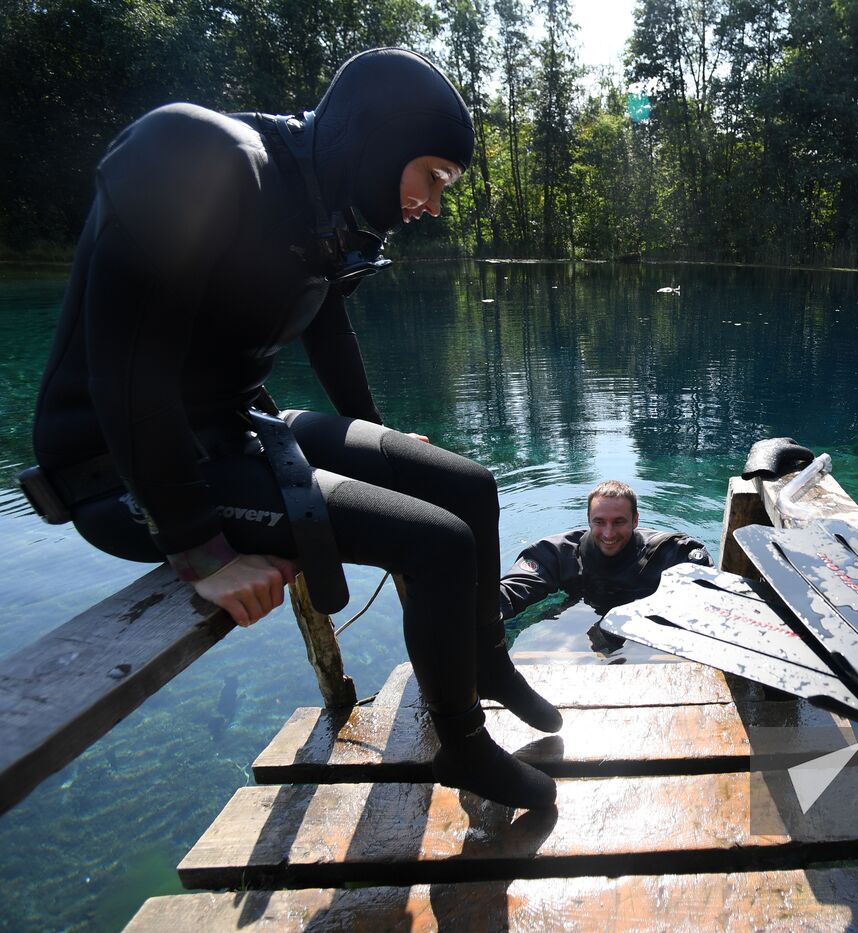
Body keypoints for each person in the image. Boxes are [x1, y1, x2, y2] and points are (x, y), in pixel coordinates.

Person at [29, 48, 557, 809]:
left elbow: (327, 323)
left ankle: (484, 659)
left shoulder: (323, 205)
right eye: (433, 175)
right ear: (378, 143)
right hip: (124, 472)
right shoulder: (196, 157)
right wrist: (199, 547)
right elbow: (129, 371)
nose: (434, 203)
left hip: (235, 429)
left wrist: (381, 445)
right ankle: (463, 745)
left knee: (469, 488)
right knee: (439, 544)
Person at [499, 481, 712, 625]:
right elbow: (514, 590)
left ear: (635, 520)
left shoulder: (668, 552)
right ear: (588, 519)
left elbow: (707, 595)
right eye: (599, 522)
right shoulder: (558, 553)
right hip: (577, 618)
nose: (608, 534)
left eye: (619, 522)